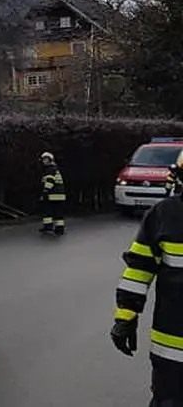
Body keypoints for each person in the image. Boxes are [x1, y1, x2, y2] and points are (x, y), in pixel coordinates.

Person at [111, 150, 183, 407]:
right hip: (173, 349)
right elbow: (139, 270)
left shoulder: (163, 214)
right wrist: (126, 316)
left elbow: (138, 270)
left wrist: (126, 317)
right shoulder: (164, 215)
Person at [38, 152, 67, 236]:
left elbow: (50, 182)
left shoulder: (50, 169)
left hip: (52, 195)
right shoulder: (55, 168)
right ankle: (59, 229)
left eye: (45, 159)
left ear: (49, 160)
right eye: (43, 159)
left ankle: (48, 227)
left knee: (47, 211)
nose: (44, 161)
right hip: (60, 195)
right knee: (58, 212)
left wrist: (45, 192)